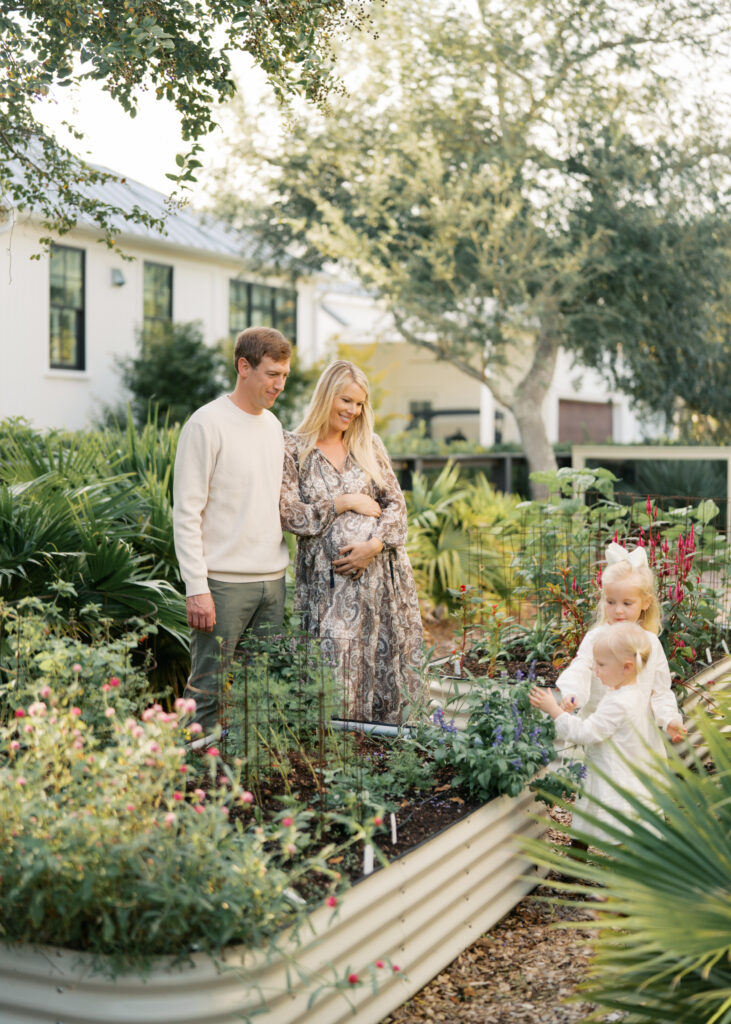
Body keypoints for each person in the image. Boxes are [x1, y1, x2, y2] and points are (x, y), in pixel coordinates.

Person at [279, 360, 424, 724]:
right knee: (333, 668)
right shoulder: (293, 448)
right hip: (326, 588)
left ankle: (384, 753)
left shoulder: (369, 445)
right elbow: (289, 514)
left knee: (385, 668)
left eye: (359, 404)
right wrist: (343, 503)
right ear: (326, 396)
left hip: (382, 581)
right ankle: (337, 757)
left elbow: (397, 509)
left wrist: (372, 546)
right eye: (346, 400)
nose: (352, 411)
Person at [173, 326, 292, 734]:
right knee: (205, 694)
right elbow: (186, 512)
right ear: (244, 367)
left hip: (272, 583)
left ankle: (248, 785)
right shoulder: (207, 424)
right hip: (221, 587)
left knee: (259, 694)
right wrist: (196, 587)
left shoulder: (274, 426)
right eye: (272, 374)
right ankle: (188, 786)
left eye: (284, 376)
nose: (279, 385)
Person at [530, 622, 657, 844]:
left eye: (601, 665)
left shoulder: (619, 702)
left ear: (626, 667)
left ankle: (620, 873)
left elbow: (587, 733)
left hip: (613, 776)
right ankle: (577, 863)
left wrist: (554, 710)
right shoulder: (628, 691)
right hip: (613, 769)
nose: (595, 671)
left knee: (614, 825)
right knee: (589, 815)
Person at [556, 542, 685, 758]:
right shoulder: (597, 638)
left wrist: (670, 718)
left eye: (627, 603)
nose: (618, 610)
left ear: (645, 602)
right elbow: (581, 666)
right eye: (611, 601)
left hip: (639, 738)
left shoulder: (650, 643)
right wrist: (572, 693)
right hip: (601, 729)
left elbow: (660, 690)